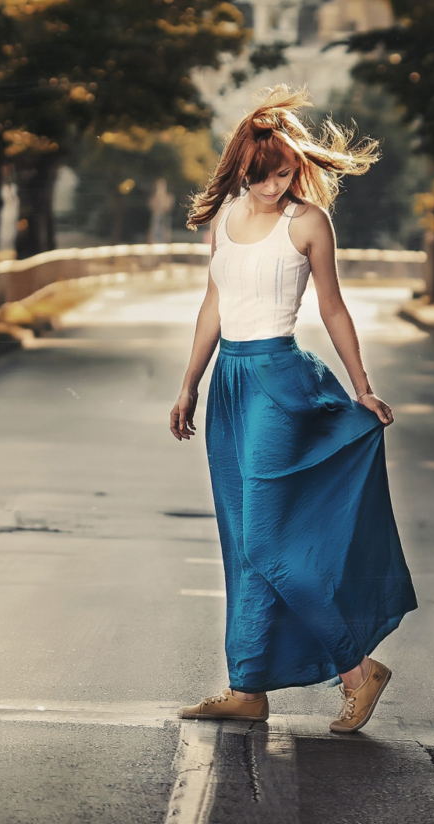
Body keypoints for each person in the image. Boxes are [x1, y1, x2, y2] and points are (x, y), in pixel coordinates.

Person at [169, 86, 417, 733]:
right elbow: (212, 307)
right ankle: (247, 686)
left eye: (283, 172)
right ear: (241, 170)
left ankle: (358, 671)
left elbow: (332, 307)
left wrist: (362, 385)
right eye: (261, 175)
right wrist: (189, 384)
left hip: (280, 381)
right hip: (230, 384)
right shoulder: (224, 216)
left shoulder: (308, 222)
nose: (273, 185)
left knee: (267, 541)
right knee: (242, 540)